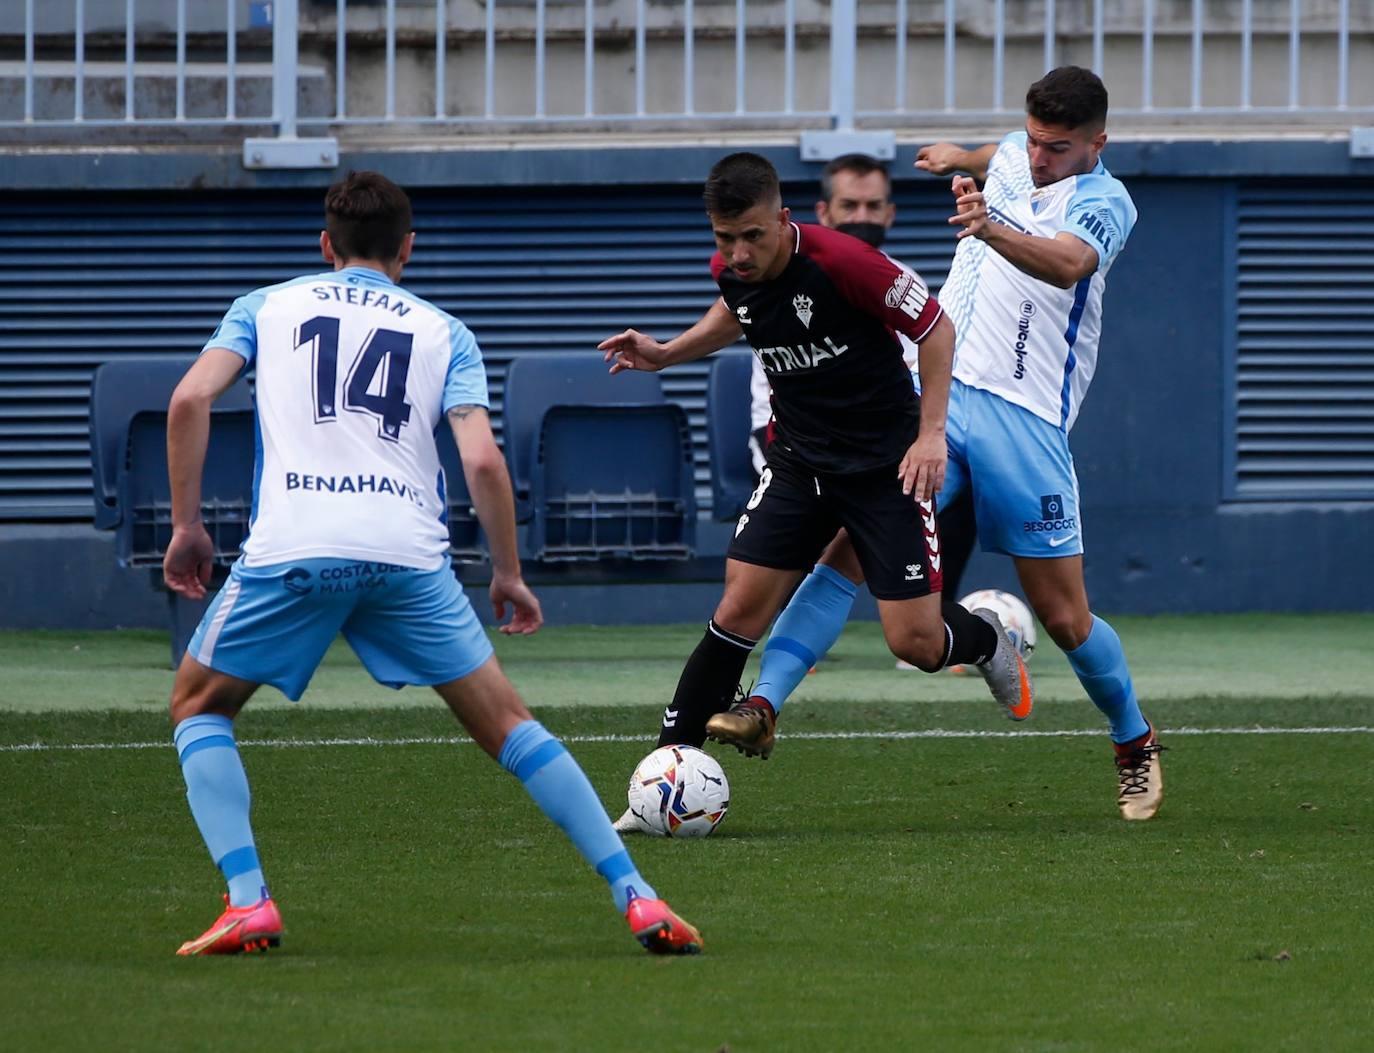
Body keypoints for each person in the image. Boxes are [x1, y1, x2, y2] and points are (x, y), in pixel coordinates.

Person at [163, 171, 701, 956]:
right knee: (511, 726)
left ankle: (248, 898)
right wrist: (508, 573)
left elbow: (186, 402)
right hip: (406, 555)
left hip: (296, 546)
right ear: (408, 250)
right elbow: (481, 461)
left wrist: (186, 526)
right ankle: (640, 896)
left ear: (324, 246)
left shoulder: (264, 307)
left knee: (198, 706)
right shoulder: (445, 330)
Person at [747, 66, 1165, 821]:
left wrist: (989, 226)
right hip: (936, 402)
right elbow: (996, 151)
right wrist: (954, 155)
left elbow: (1070, 264)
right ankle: (763, 702)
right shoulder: (1013, 151)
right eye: (1034, 141)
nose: (1039, 159)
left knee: (1067, 617)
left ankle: (1133, 739)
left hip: (1026, 425)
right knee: (845, 546)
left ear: (1097, 143)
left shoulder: (1105, 202)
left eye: (1058, 148)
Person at [600, 153, 1033, 830]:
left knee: (915, 643)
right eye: (724, 239)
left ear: (783, 218)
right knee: (739, 606)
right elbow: (734, 312)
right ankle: (660, 780)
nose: (738, 254)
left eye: (752, 237)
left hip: (886, 467)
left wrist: (931, 435)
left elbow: (937, 328)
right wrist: (665, 352)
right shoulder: (734, 273)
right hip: (800, 461)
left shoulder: (845, 263)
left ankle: (984, 640)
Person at [746, 154, 985, 704]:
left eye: (874, 206)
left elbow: (926, 378)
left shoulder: (903, 286)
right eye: (849, 205)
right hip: (802, 452)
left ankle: (939, 621)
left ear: (892, 213)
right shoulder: (777, 283)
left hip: (883, 458)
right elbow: (767, 404)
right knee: (816, 507)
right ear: (819, 212)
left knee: (955, 477)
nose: (862, 216)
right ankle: (772, 681)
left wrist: (923, 444)